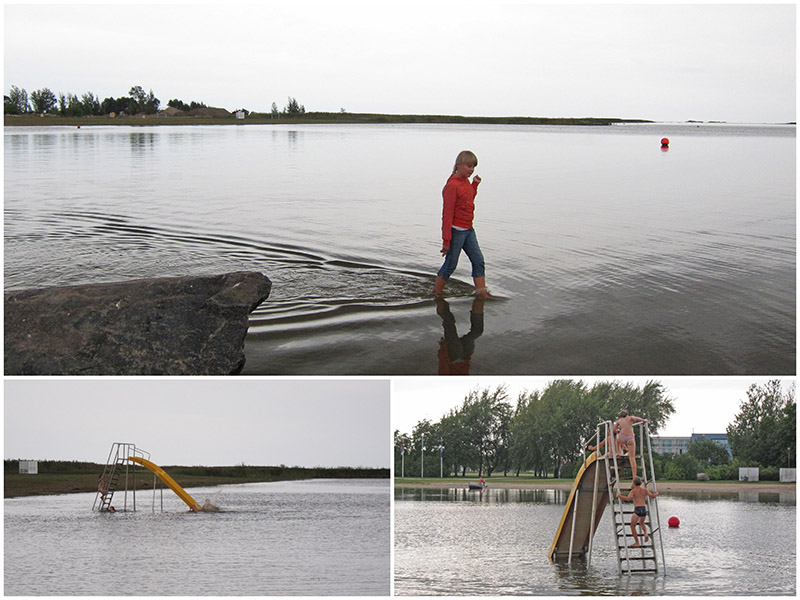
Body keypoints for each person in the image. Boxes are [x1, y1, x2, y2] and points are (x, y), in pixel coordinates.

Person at [433, 150, 492, 298]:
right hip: (456, 231)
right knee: (450, 265)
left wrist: (475, 185)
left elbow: (468, 198)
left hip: (468, 230)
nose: (471, 170)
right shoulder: (452, 186)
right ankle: (436, 293)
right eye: (468, 166)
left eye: (473, 167)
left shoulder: (465, 181)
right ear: (458, 165)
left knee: (478, 260)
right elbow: (447, 215)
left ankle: (482, 293)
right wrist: (446, 240)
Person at [616, 477, 659, 547]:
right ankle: (645, 533)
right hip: (643, 509)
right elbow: (652, 496)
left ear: (634, 483)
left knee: (632, 526)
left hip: (637, 509)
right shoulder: (644, 490)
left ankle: (637, 542)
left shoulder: (633, 491)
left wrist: (619, 496)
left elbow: (628, 498)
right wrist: (656, 493)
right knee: (642, 523)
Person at [614, 410, 647, 479]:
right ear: (627, 414)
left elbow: (613, 429)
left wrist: (617, 431)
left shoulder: (619, 420)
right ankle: (634, 475)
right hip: (630, 438)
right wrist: (643, 420)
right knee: (632, 458)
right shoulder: (630, 417)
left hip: (622, 437)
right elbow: (636, 418)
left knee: (617, 439)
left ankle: (617, 452)